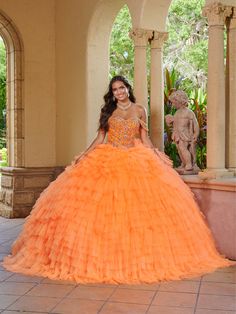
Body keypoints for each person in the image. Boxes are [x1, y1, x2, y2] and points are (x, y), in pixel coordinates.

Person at [2, 76, 234, 284]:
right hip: (108, 157)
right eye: (115, 90)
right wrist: (84, 154)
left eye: (121, 88)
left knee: (139, 211)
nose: (119, 92)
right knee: (99, 209)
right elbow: (100, 138)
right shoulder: (108, 111)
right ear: (112, 93)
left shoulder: (140, 110)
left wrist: (157, 156)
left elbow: (145, 139)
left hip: (136, 158)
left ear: (127, 89)